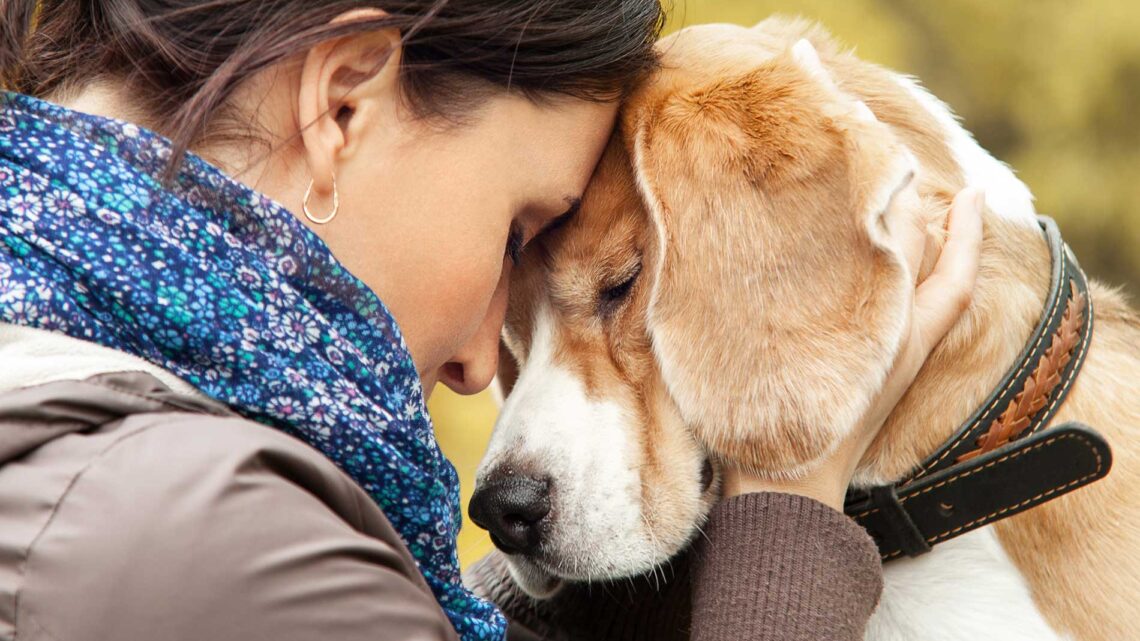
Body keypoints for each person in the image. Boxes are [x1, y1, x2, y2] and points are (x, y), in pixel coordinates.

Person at [0, 1, 983, 640]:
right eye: (521, 231)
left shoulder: (75, 413)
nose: (480, 363)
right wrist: (788, 509)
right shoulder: (199, 538)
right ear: (340, 107)